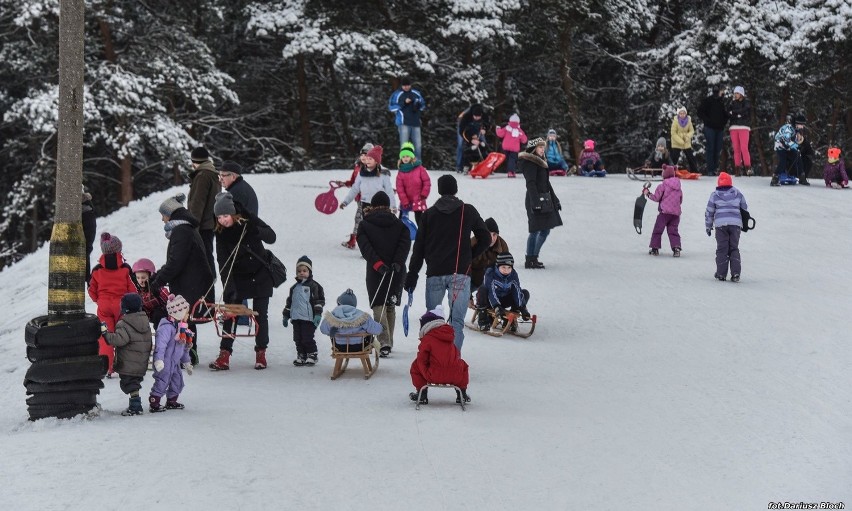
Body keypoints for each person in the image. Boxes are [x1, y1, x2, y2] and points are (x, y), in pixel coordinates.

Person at [404, 175, 490, 350]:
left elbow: (419, 248)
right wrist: (469, 255)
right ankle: (453, 361)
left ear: (439, 190)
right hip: (460, 273)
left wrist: (412, 275)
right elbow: (486, 238)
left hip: (435, 273)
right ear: (455, 189)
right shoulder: (468, 211)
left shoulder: (428, 215)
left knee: (432, 321)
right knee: (456, 321)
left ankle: (434, 358)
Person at [208, 192, 278, 371]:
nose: (223, 220)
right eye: (219, 217)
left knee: (260, 315)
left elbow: (272, 237)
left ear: (233, 213)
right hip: (238, 277)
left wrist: (256, 230)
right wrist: (228, 288)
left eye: (225, 216)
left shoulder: (248, 219)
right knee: (231, 313)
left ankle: (261, 352)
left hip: (260, 275)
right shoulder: (221, 233)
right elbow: (223, 263)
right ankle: (224, 354)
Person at [150, 193, 215, 366]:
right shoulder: (186, 229)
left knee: (185, 319)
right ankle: (187, 355)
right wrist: (158, 276)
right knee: (186, 319)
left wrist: (157, 281)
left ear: (171, 214)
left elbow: (176, 262)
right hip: (193, 283)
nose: (162, 220)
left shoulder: (182, 231)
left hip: (191, 285)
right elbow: (176, 260)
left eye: (163, 215)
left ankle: (188, 356)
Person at [356, 191, 411, 357]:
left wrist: (378, 264)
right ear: (388, 206)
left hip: (375, 271)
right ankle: (388, 342)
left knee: (378, 305)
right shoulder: (400, 225)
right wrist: (397, 263)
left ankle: (384, 342)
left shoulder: (365, 225)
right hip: (396, 270)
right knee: (390, 305)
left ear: (372, 206)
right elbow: (404, 244)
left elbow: (365, 247)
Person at [88, 232, 137, 377]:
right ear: (118, 251)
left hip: (104, 307)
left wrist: (98, 300)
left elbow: (92, 290)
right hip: (122, 306)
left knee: (106, 336)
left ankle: (108, 367)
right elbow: (132, 289)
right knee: (124, 334)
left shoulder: (97, 270)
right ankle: (126, 365)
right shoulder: (125, 268)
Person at [101, 293, 152, 416]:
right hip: (141, 361)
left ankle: (135, 407)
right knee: (134, 383)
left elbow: (119, 340)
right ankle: (135, 404)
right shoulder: (144, 321)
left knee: (129, 384)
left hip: (128, 363)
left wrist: (105, 333)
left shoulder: (124, 324)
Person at [409, 306, 470, 405]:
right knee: (463, 365)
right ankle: (462, 393)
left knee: (416, 365)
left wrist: (425, 371)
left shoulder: (427, 339)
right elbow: (456, 355)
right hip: (455, 376)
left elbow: (422, 359)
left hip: (433, 375)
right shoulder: (451, 337)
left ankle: (422, 394)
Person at [519, 138, 563, 269]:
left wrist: (555, 200)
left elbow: (547, 184)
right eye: (539, 147)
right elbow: (530, 184)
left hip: (546, 199)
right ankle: (529, 259)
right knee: (535, 230)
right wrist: (535, 202)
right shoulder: (530, 163)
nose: (542, 149)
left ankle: (534, 257)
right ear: (533, 149)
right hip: (535, 199)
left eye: (543, 147)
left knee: (545, 230)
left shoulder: (542, 163)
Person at [149, 294, 194, 413]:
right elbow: (161, 345)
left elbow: (183, 348)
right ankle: (155, 401)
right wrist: (158, 360)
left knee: (177, 381)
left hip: (175, 363)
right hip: (164, 362)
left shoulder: (182, 329)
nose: (188, 315)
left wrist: (187, 362)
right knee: (162, 381)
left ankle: (171, 401)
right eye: (186, 313)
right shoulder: (166, 328)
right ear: (178, 313)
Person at [340, 145, 396, 233]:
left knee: (378, 227)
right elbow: (355, 189)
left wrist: (393, 206)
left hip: (379, 206)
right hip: (365, 204)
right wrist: (346, 201)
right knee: (367, 226)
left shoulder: (383, 174)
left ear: (376, 161)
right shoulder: (361, 173)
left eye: (370, 159)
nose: (367, 160)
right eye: (367, 158)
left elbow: (389, 191)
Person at [282, 256, 326, 366]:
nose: (301, 273)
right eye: (299, 271)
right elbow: (289, 303)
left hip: (309, 318)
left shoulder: (314, 286)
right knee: (297, 338)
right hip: (296, 318)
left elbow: (318, 301)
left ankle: (312, 354)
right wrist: (286, 315)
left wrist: (318, 314)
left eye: (304, 271)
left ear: (309, 271)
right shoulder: (294, 288)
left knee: (307, 337)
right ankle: (301, 354)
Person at [705, 172, 749, 282]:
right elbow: (744, 207)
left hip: (721, 225)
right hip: (735, 225)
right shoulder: (738, 193)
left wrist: (708, 226)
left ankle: (721, 274)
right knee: (734, 248)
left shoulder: (714, 195)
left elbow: (709, 212)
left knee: (722, 249)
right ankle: (735, 274)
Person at [475, 252, 531, 332]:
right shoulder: (491, 273)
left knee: (524, 293)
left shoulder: (513, 274)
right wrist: (497, 306)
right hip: (489, 301)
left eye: (509, 267)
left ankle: (511, 320)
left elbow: (516, 290)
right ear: (498, 266)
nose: (506, 270)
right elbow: (491, 291)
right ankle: (483, 318)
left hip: (503, 300)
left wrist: (523, 308)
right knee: (482, 289)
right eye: (503, 267)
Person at [187, 146, 219, 275]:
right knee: (207, 254)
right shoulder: (213, 173)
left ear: (194, 161)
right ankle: (209, 283)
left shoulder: (202, 175)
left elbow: (197, 203)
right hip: (210, 224)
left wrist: (192, 227)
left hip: (202, 225)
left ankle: (207, 286)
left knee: (203, 256)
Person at [319, 289, 384, 353]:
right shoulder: (362, 316)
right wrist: (381, 327)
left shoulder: (332, 316)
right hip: (360, 347)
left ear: (339, 303)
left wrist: (332, 331)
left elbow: (323, 330)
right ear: (354, 304)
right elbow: (376, 330)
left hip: (339, 347)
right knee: (369, 333)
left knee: (333, 333)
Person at [336, 142, 373, 248]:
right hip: (359, 198)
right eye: (362, 155)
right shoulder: (357, 167)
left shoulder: (372, 169)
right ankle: (356, 240)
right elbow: (353, 182)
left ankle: (358, 241)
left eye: (367, 155)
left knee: (360, 219)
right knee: (360, 219)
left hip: (368, 199)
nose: (363, 157)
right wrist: (344, 183)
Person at [643, 165, 683, 257]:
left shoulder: (662, 186)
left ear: (664, 174)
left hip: (664, 214)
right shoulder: (679, 188)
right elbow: (680, 200)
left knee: (658, 230)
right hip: (676, 215)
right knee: (673, 231)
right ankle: (676, 248)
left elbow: (656, 198)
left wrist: (647, 193)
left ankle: (655, 249)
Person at [388, 76, 426, 160]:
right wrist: (403, 103)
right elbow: (391, 108)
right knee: (404, 145)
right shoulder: (397, 94)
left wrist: (418, 104)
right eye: (404, 85)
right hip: (403, 123)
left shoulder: (416, 93)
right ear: (401, 85)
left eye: (408, 85)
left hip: (416, 123)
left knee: (418, 145)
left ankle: (417, 164)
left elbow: (423, 106)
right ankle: (403, 164)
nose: (406, 87)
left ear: (410, 85)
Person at [469, 217, 509, 297]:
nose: (492, 238)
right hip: (472, 281)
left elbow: (507, 270)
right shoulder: (472, 244)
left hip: (493, 282)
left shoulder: (502, 246)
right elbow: (463, 272)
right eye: (488, 234)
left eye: (494, 234)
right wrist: (468, 296)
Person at [395, 142, 431, 226]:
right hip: (406, 199)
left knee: (419, 218)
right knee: (401, 219)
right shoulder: (401, 172)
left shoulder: (419, 168)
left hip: (418, 198)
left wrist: (424, 194)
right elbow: (400, 188)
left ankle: (423, 234)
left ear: (411, 157)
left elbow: (427, 181)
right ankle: (398, 234)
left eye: (407, 156)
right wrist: (404, 200)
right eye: (403, 157)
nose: (405, 158)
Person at [697, 86, 729, 176]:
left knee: (718, 149)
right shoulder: (708, 100)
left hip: (719, 128)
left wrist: (724, 122)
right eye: (715, 91)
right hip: (710, 128)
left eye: (718, 91)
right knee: (711, 148)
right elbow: (700, 112)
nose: (717, 93)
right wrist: (707, 120)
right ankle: (711, 169)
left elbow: (726, 114)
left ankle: (714, 168)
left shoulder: (722, 102)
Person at [131, 258, 169, 328]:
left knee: (158, 313)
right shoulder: (137, 290)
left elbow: (169, 301)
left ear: (150, 276)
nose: (140, 281)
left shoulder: (157, 288)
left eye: (143, 277)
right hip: (147, 315)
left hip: (161, 316)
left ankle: (161, 332)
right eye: (138, 278)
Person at [771, 114, 806, 186]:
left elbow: (795, 141)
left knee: (797, 157)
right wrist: (796, 146)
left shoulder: (796, 130)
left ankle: (802, 177)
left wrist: (798, 142)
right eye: (801, 125)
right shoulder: (788, 128)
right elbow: (786, 140)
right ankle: (775, 178)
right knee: (783, 161)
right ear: (797, 123)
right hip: (780, 146)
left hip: (788, 147)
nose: (803, 127)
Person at [727, 86, 753, 176]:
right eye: (735, 93)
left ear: (741, 94)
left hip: (744, 127)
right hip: (733, 127)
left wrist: (736, 113)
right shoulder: (732, 103)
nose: (735, 95)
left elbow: (745, 111)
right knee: (736, 149)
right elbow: (729, 112)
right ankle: (737, 169)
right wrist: (737, 114)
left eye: (737, 93)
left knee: (744, 148)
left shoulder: (746, 103)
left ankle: (748, 168)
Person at [457, 103, 490, 172]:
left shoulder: (484, 115)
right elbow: (462, 131)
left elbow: (487, 125)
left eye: (479, 117)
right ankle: (460, 167)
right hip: (463, 130)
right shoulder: (466, 116)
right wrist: (471, 139)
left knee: (483, 145)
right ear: (472, 115)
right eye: (475, 116)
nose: (477, 118)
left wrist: (485, 129)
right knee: (461, 146)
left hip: (476, 129)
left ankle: (486, 166)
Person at [670, 107, 698, 174]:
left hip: (686, 142)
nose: (682, 115)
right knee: (674, 157)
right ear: (678, 114)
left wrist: (687, 137)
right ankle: (670, 171)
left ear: (686, 113)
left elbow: (691, 130)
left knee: (690, 156)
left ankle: (694, 171)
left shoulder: (689, 121)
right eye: (680, 113)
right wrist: (680, 141)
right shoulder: (675, 121)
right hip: (676, 142)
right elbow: (673, 133)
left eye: (683, 113)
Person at [82, 190, 96, 284]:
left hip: (87, 229)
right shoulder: (87, 206)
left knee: (85, 250)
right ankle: (87, 278)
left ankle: (86, 278)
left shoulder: (84, 208)